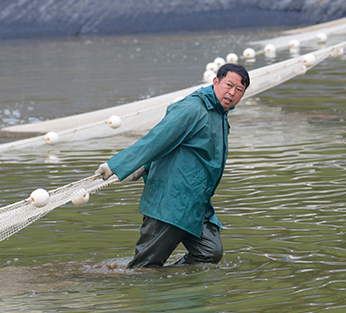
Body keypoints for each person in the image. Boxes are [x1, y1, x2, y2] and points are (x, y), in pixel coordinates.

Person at [95, 63, 250, 268]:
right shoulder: (193, 108)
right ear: (215, 82)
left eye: (239, 90)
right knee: (145, 268)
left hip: (196, 204)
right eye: (228, 85)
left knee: (209, 252)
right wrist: (118, 165)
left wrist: (145, 167)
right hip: (171, 201)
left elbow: (179, 148)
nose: (232, 93)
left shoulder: (219, 114)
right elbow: (158, 139)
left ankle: (171, 285)